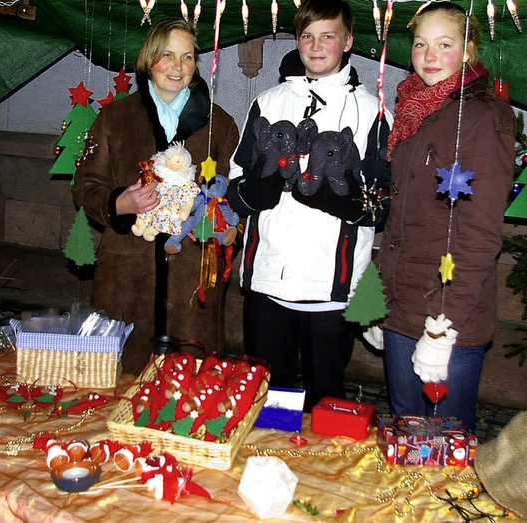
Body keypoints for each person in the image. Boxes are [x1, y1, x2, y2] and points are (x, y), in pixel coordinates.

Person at [225, 0, 391, 412]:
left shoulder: (371, 111)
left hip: (330, 289)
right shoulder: (267, 101)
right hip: (267, 282)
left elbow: (380, 204)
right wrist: (260, 189)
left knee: (325, 407)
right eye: (307, 36)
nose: (316, 46)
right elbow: (235, 186)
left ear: (348, 41)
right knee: (267, 406)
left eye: (328, 35)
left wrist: (329, 196)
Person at [374, 3, 514, 430]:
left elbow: (479, 234)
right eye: (420, 44)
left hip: (446, 316)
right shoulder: (417, 109)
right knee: (406, 429)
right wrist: (381, 301)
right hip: (403, 306)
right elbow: (402, 217)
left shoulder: (482, 116)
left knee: (443, 448)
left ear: (469, 49)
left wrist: (443, 328)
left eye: (444, 44)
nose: (429, 55)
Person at [72, 18, 239, 376]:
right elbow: (85, 186)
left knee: (188, 386)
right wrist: (121, 203)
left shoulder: (220, 125)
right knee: (118, 380)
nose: (178, 67)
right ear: (149, 60)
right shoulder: (114, 118)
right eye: (167, 55)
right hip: (126, 275)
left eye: (188, 57)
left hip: (191, 277)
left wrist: (221, 224)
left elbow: (232, 195)